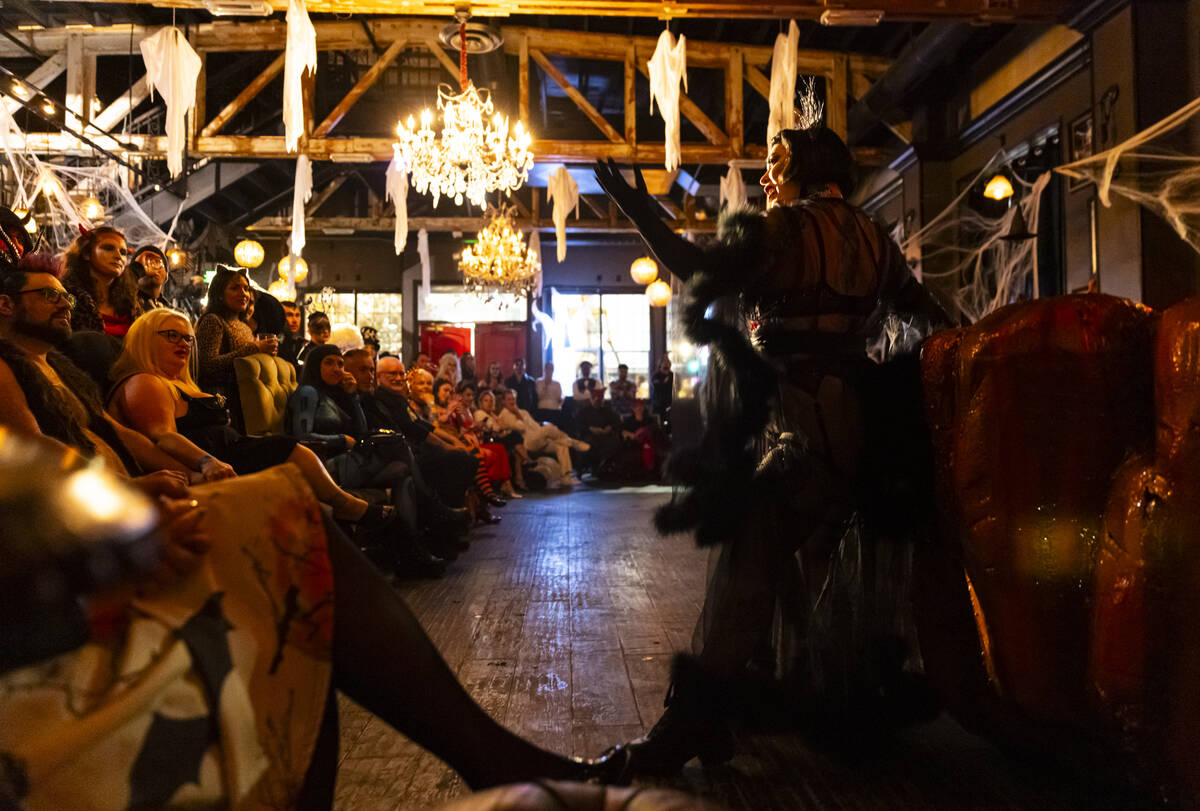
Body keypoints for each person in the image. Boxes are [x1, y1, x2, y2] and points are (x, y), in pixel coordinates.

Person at [593, 122, 948, 776]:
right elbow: (933, 316)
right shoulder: (875, 236)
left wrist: (639, 206)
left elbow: (697, 267)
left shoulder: (783, 228)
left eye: (776, 161)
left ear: (809, 166)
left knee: (750, 557)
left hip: (796, 425)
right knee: (786, 563)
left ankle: (691, 720)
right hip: (852, 427)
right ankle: (737, 711)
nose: (765, 175)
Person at [107, 308, 395, 532]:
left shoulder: (176, 383)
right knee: (293, 463)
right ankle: (345, 505)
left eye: (187, 338)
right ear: (146, 338)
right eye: (172, 335)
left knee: (296, 466)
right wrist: (206, 463)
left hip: (230, 453)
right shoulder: (145, 381)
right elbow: (162, 436)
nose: (183, 343)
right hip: (219, 461)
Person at [285, 344, 446, 575]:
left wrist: (352, 398)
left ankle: (411, 553)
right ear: (315, 366)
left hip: (348, 461)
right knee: (399, 448)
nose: (337, 368)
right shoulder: (307, 393)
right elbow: (300, 437)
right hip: (324, 467)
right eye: (329, 363)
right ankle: (428, 520)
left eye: (340, 364)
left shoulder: (333, 394)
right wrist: (341, 439)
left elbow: (360, 431)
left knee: (402, 473)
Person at [375, 355, 480, 513]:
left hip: (419, 449)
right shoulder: (381, 399)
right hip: (406, 454)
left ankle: (454, 510)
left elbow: (421, 426)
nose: (398, 378)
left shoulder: (399, 399)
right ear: (378, 376)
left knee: (469, 458)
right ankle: (445, 512)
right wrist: (448, 446)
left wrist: (452, 443)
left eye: (400, 374)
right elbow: (418, 428)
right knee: (461, 459)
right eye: (392, 374)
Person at [194, 268, 277, 409]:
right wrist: (255, 348)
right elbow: (207, 365)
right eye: (235, 288)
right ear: (219, 294)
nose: (243, 294)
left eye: (246, 288)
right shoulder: (213, 320)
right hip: (220, 399)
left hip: (244, 397)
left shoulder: (243, 326)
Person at [60, 225, 141, 338]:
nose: (118, 256)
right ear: (87, 254)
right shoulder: (67, 298)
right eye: (108, 248)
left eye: (123, 252)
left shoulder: (132, 304)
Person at [496, 389, 588, 487]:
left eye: (513, 399)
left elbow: (536, 426)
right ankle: (574, 443)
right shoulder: (505, 415)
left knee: (560, 444)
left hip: (538, 438)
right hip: (527, 442)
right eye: (509, 399)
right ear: (503, 402)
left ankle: (566, 477)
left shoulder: (523, 412)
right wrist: (517, 414)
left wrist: (545, 436)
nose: (512, 402)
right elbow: (521, 427)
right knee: (547, 429)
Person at [573, 385, 622, 476]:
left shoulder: (607, 411)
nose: (596, 401)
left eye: (599, 399)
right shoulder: (583, 411)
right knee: (591, 444)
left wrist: (610, 427)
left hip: (605, 436)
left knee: (614, 442)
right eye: (594, 398)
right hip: (589, 436)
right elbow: (578, 424)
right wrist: (590, 428)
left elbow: (616, 422)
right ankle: (595, 467)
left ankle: (604, 466)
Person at [129, 245, 170, 311]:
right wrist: (138, 268)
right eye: (145, 262)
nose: (150, 266)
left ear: (166, 276)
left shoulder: (173, 312)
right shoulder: (125, 304)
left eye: (156, 262)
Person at [650, 355, 674, 429]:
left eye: (668, 363)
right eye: (664, 363)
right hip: (658, 405)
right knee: (658, 425)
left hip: (670, 404)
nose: (666, 365)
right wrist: (664, 382)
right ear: (660, 365)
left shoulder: (672, 375)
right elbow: (658, 387)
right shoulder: (656, 376)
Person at [279, 299, 305, 365]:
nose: (295, 320)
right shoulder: (275, 341)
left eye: (297, 315)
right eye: (289, 315)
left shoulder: (299, 343)